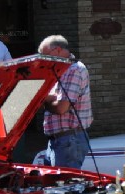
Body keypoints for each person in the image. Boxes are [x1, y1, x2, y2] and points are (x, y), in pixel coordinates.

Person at [38, 35, 92, 169]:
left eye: (45, 56)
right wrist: (47, 99)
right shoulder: (59, 70)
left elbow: (62, 108)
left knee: (63, 186)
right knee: (53, 185)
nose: (44, 61)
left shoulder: (74, 70)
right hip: (58, 139)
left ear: (57, 50)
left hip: (69, 140)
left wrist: (43, 100)